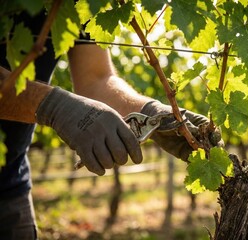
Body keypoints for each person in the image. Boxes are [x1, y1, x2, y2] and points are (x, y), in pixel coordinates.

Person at [0, 8, 217, 240]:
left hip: (11, 188)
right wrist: (54, 107)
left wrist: (148, 111)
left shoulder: (83, 4)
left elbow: (97, 79)